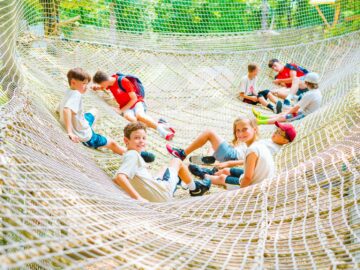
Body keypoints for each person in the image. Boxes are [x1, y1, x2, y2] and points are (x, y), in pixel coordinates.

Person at [58, 68, 154, 162]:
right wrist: (70, 132)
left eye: (87, 84)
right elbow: (67, 109)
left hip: (83, 123)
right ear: (74, 82)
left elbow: (62, 107)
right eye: (83, 84)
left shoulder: (69, 91)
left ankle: (88, 126)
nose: (86, 87)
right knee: (112, 144)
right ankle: (137, 154)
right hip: (85, 136)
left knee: (94, 111)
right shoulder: (76, 95)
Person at [113, 122, 211, 202]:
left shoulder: (128, 156)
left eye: (144, 138)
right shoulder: (132, 155)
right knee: (176, 161)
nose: (141, 141)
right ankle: (195, 189)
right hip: (162, 195)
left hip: (154, 194)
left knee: (164, 168)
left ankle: (177, 180)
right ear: (126, 140)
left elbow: (117, 179)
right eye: (137, 138)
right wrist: (138, 198)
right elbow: (120, 177)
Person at [189, 121, 296, 188]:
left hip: (254, 184)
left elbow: (248, 177)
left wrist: (241, 192)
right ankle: (212, 171)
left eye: (279, 133)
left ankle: (204, 175)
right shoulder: (266, 143)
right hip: (256, 174)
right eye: (276, 130)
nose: (275, 133)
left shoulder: (264, 149)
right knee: (226, 171)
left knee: (222, 177)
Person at [92, 71, 175, 141]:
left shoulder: (123, 81)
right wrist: (97, 87)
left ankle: (164, 133)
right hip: (126, 107)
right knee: (132, 120)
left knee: (140, 116)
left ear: (104, 81)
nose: (102, 86)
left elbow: (134, 99)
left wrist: (121, 111)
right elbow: (104, 87)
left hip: (137, 102)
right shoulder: (109, 83)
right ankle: (162, 124)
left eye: (101, 84)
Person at [166, 118, 248, 169]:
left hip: (232, 156)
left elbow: (247, 160)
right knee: (213, 145)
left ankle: (182, 154)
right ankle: (210, 158)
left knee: (209, 133)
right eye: (238, 130)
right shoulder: (245, 140)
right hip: (232, 153)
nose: (240, 133)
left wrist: (229, 163)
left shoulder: (254, 144)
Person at [253, 72, 322, 125]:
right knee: (284, 112)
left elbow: (296, 108)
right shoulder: (316, 92)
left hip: (304, 115)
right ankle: (262, 117)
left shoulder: (310, 94)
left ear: (307, 83)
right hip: (305, 111)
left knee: (283, 117)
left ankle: (260, 122)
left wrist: (286, 114)